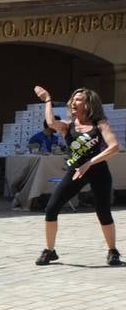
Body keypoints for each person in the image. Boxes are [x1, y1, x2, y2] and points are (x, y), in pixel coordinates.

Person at [32, 85, 121, 267]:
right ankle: (50, 250)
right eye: (73, 98)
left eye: (79, 99)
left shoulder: (100, 124)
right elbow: (50, 123)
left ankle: (112, 251)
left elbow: (114, 147)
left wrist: (90, 162)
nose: (74, 101)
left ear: (88, 104)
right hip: (76, 172)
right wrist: (48, 99)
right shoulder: (67, 126)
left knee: (102, 210)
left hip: (98, 171)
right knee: (51, 208)